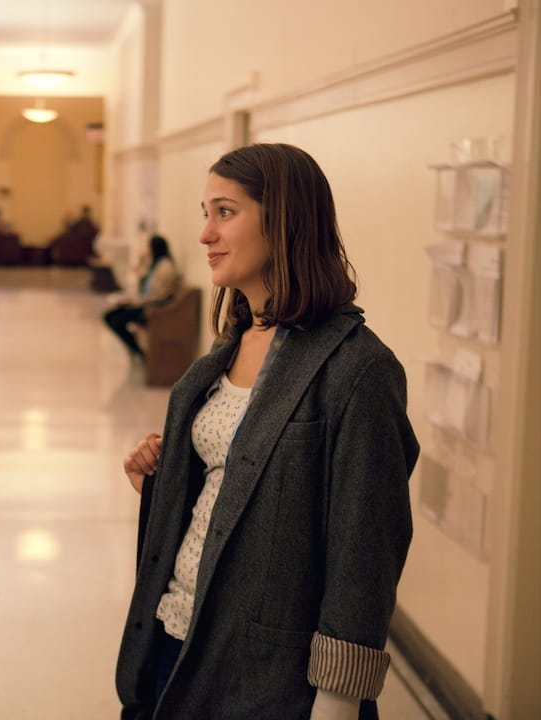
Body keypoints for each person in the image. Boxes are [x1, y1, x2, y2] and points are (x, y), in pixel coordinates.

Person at [115, 143, 418, 719]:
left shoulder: (358, 371)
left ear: (284, 221)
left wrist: (336, 702)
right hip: (172, 640)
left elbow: (365, 555)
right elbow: (241, 491)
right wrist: (163, 483)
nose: (205, 234)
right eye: (205, 212)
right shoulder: (232, 344)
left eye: (225, 212)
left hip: (265, 680)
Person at [102, 234, 181, 359]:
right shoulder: (153, 264)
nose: (147, 251)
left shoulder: (165, 267)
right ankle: (135, 349)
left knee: (116, 320)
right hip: (142, 303)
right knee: (108, 316)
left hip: (151, 308)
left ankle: (138, 351)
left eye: (149, 247)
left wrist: (135, 302)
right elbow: (137, 277)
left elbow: (158, 296)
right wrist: (142, 261)